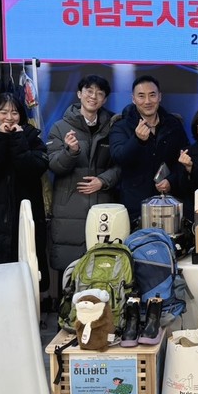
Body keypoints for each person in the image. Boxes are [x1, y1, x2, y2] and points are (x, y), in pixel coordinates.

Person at [0, 92, 49, 289]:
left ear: (21, 115)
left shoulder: (33, 139)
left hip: (27, 217)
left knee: (29, 277)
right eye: (3, 112)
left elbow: (33, 170)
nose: (9, 117)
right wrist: (0, 139)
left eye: (14, 112)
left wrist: (18, 139)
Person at [46, 75, 121, 274]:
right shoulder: (60, 127)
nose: (93, 96)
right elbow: (54, 165)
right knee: (69, 272)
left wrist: (103, 181)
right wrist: (70, 152)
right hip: (69, 209)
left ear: (104, 99)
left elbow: (122, 165)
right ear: (79, 94)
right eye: (89, 91)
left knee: (103, 272)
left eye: (99, 93)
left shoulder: (114, 126)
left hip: (103, 206)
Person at [108, 75, 188, 223]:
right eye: (141, 96)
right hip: (134, 207)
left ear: (159, 97)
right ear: (133, 99)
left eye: (152, 95)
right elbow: (118, 157)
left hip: (168, 206)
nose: (147, 101)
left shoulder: (173, 124)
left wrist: (171, 181)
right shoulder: (121, 126)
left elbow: (184, 160)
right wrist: (137, 140)